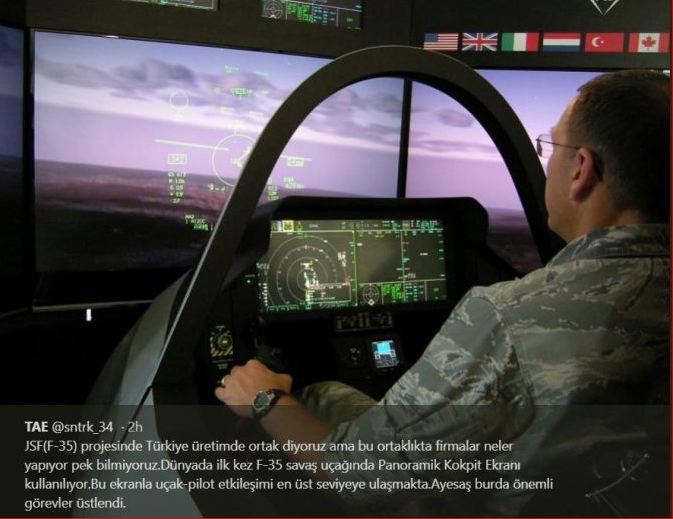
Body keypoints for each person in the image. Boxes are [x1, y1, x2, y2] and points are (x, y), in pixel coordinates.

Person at [215, 70, 671, 516]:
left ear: (581, 170)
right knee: (329, 394)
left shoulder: (512, 317)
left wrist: (266, 400)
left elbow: (357, 479)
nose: (548, 161)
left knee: (303, 404)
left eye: (552, 147)